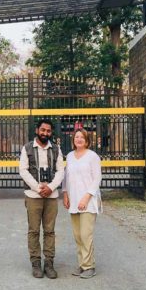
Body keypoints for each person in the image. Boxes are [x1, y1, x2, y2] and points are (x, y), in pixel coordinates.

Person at [19, 119, 64, 279]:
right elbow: (23, 171)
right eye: (43, 130)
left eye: (48, 131)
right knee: (34, 230)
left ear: (51, 133)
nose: (45, 133)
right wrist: (39, 188)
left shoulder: (56, 149)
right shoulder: (27, 148)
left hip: (51, 196)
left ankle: (49, 263)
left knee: (50, 231)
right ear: (37, 130)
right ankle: (36, 263)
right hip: (33, 195)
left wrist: (50, 187)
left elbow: (60, 171)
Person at [62, 128, 102, 279]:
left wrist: (86, 198)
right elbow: (66, 177)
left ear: (87, 140)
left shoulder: (93, 156)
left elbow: (97, 179)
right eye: (76, 137)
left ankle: (89, 266)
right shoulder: (70, 156)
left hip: (88, 201)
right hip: (73, 200)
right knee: (77, 235)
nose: (78, 139)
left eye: (82, 137)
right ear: (73, 139)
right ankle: (82, 264)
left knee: (86, 234)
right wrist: (65, 194)